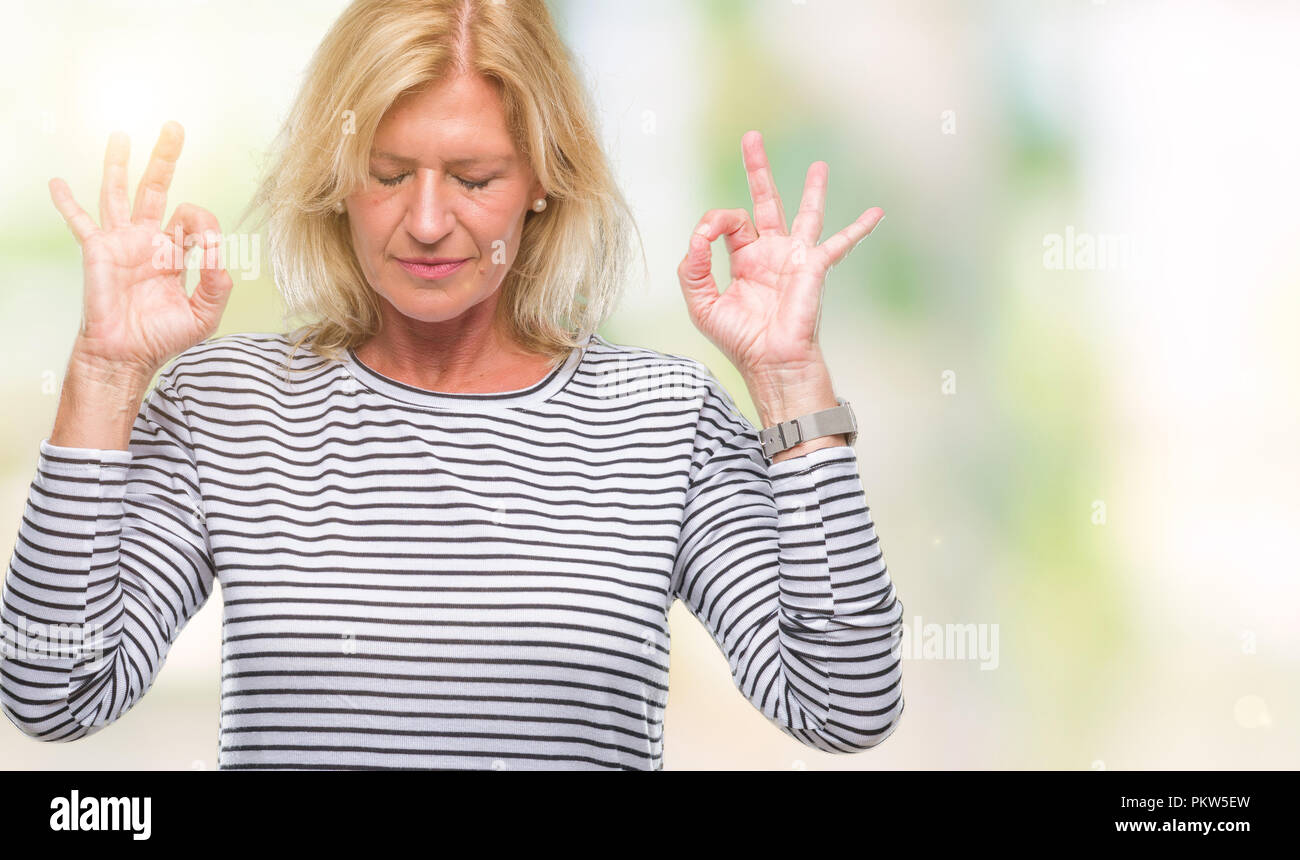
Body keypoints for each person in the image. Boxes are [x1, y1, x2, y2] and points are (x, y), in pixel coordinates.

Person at [0, 0, 903, 770]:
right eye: (389, 175)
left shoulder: (662, 418)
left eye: (474, 178)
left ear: (544, 179)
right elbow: (53, 693)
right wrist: (105, 375)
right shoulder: (227, 405)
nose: (427, 222)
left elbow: (843, 707)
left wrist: (788, 381)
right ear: (335, 177)